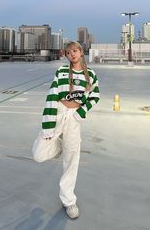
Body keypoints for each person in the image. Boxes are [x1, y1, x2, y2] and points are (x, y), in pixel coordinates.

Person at [32, 41, 100, 219]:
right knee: (38, 154)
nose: (72, 55)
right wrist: (48, 125)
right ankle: (58, 146)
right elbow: (52, 96)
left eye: (75, 51)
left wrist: (81, 112)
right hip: (59, 113)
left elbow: (95, 95)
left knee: (71, 160)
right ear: (66, 55)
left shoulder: (90, 75)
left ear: (81, 52)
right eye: (69, 53)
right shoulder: (61, 72)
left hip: (74, 117)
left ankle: (68, 200)